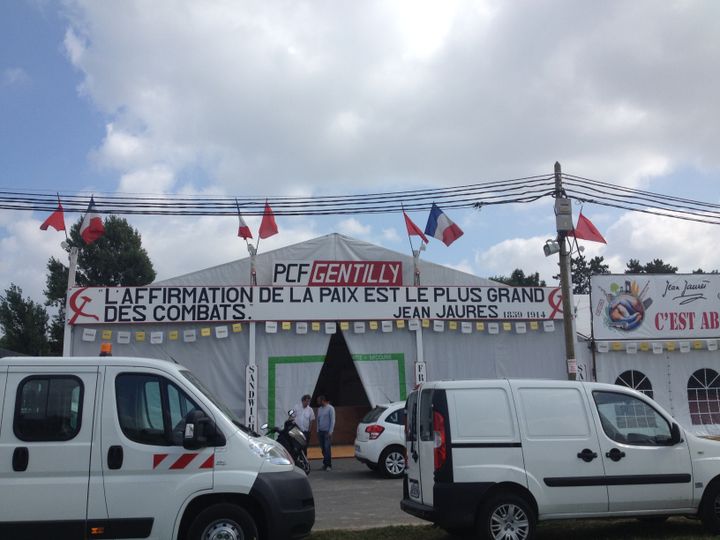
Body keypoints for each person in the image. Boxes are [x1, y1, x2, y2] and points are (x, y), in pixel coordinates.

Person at [316, 394, 335, 471]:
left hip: (327, 432)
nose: (317, 402)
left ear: (323, 401)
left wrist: (330, 431)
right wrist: (317, 430)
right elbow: (318, 420)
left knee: (327, 448)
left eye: (318, 401)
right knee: (323, 449)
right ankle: (325, 464)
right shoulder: (319, 409)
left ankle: (329, 465)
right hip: (320, 431)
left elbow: (333, 420)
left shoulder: (330, 408)